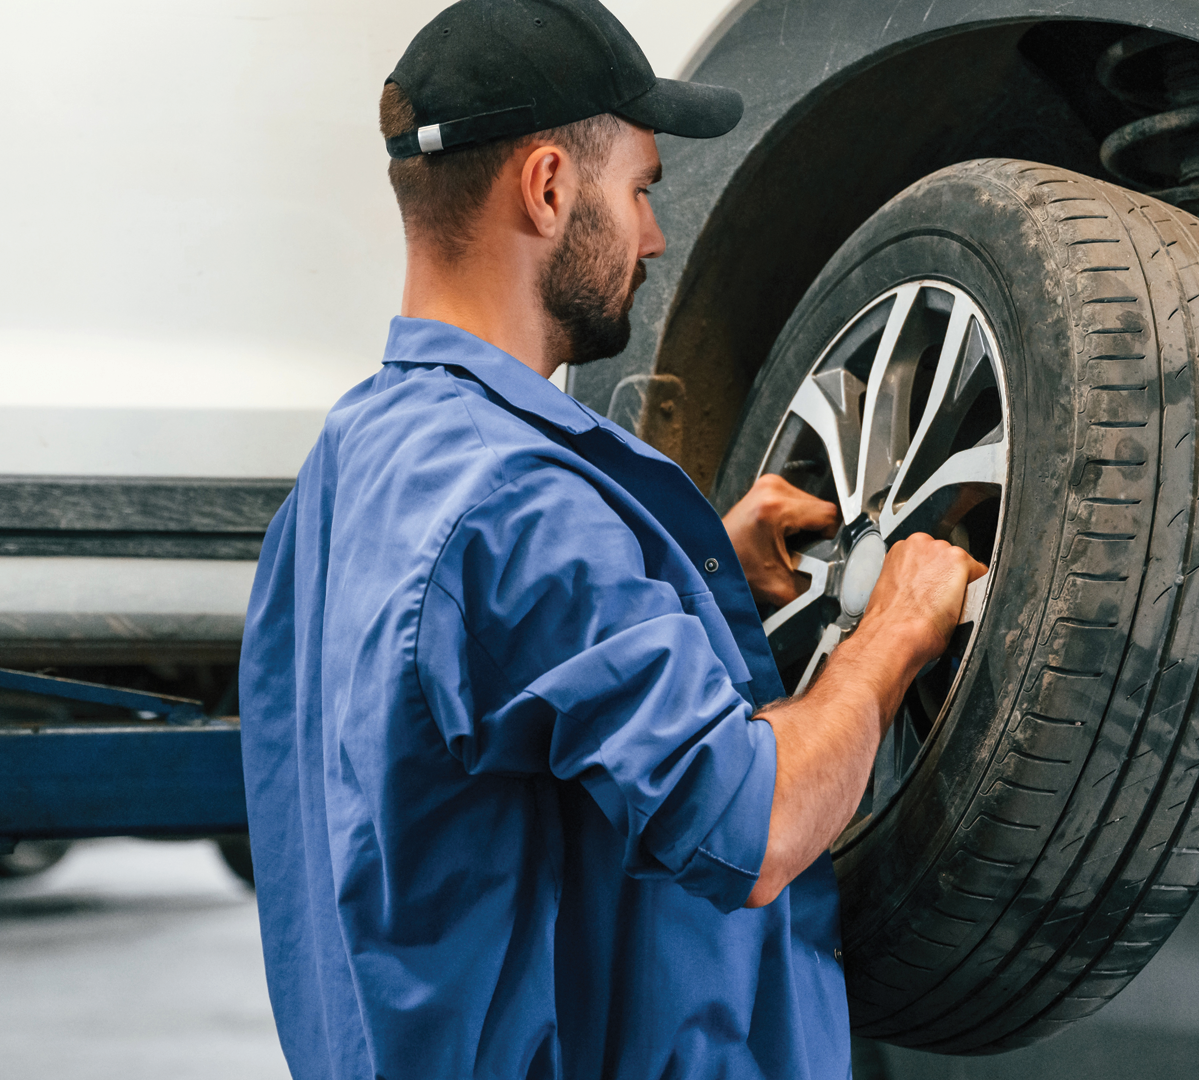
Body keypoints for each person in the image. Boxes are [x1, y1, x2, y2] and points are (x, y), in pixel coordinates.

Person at [236, 1, 984, 1077]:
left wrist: (678, 576)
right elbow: (758, 825)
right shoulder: (522, 510)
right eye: (639, 188)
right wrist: (894, 631)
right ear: (547, 187)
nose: (654, 235)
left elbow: (485, 689)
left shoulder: (353, 469)